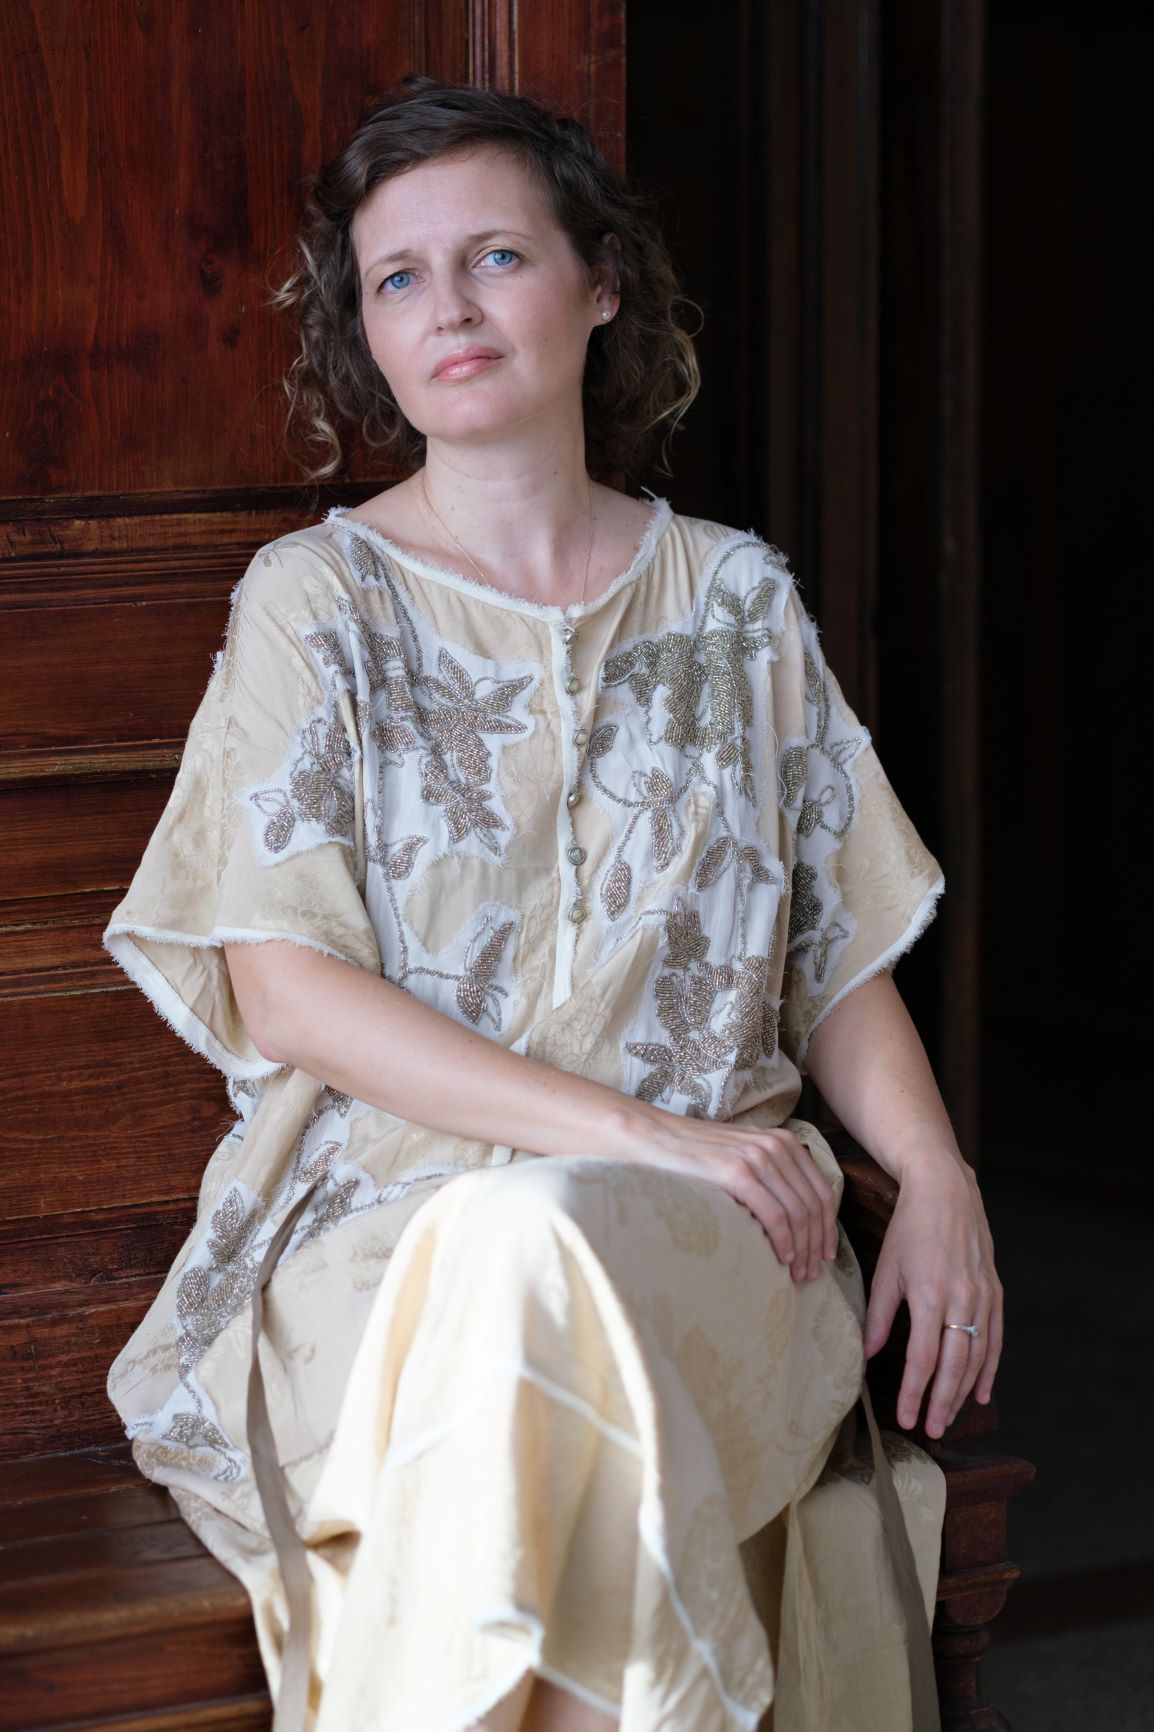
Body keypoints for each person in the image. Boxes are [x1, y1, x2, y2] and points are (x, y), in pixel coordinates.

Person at [103, 76, 1002, 1732]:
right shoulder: (315, 604)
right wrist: (641, 1134)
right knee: (516, 1245)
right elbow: (285, 986)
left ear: (598, 285)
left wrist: (935, 1173)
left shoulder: (732, 600)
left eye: (496, 256)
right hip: (387, 1245)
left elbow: (831, 954)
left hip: (710, 1243)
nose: (447, 306)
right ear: (367, 338)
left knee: (545, 1266)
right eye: (398, 277)